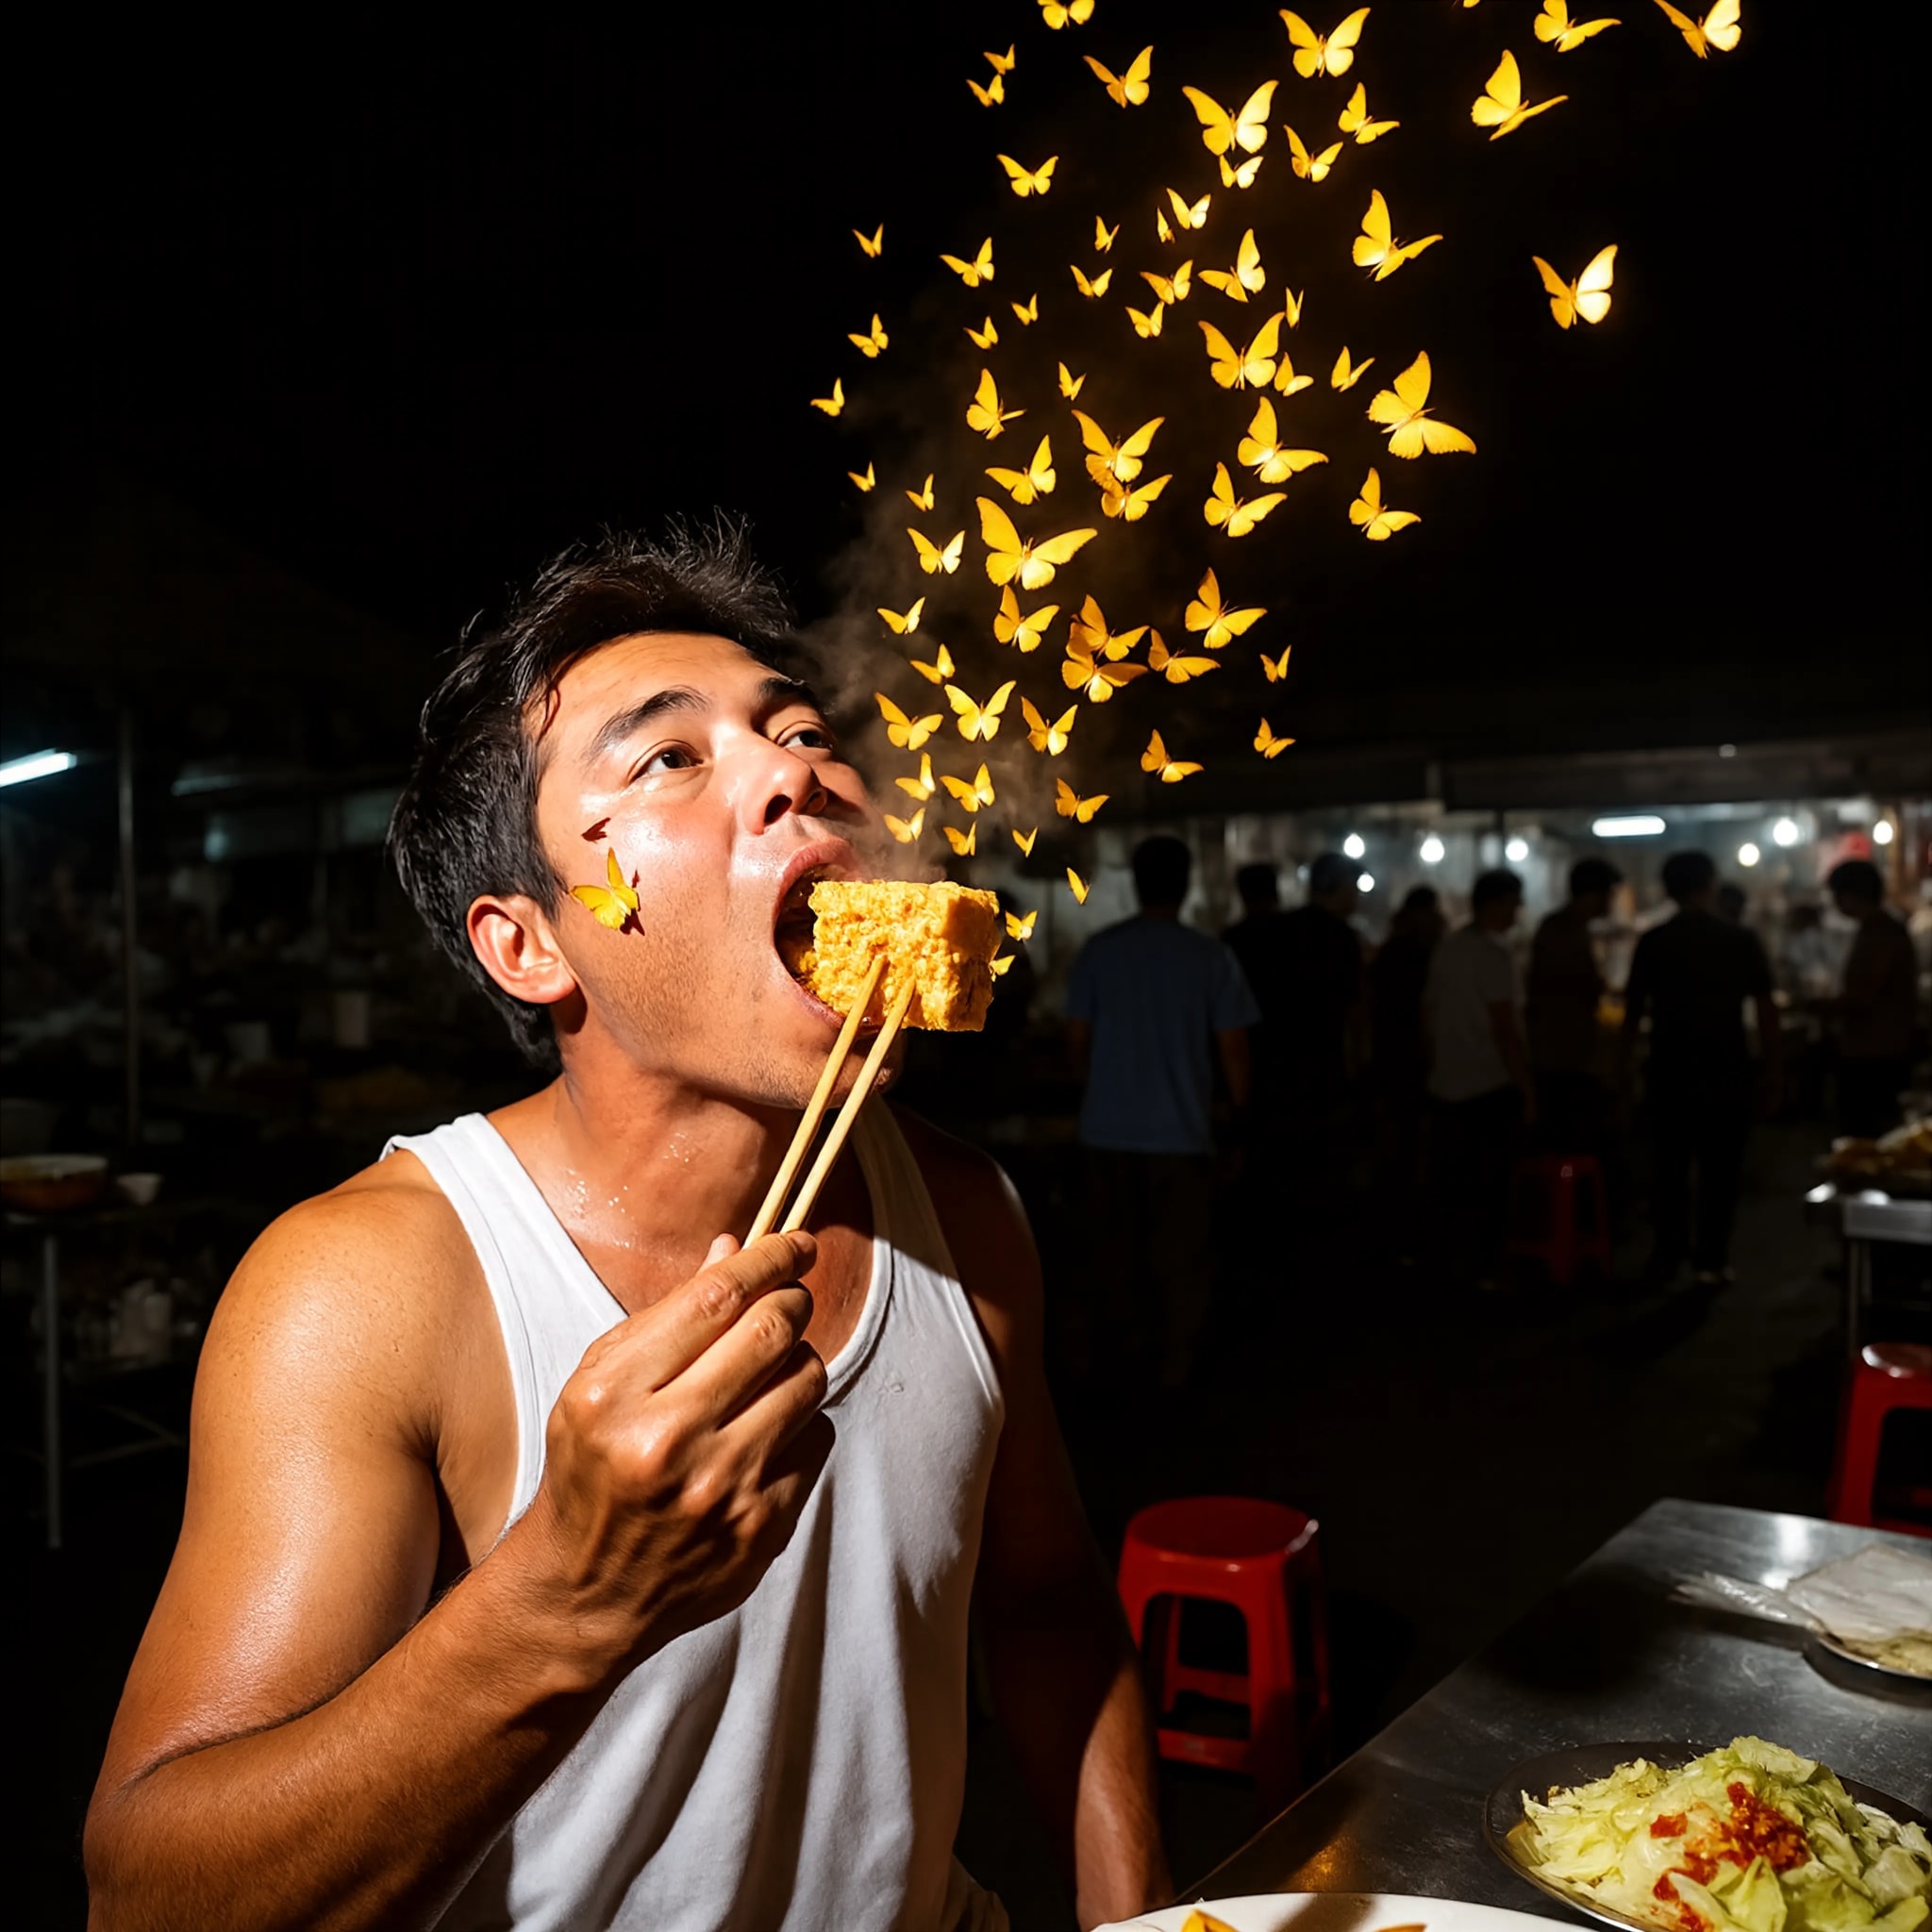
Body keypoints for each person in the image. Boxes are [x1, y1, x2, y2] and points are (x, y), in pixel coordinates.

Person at [84, 528, 1170, 1930]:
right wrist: (567, 1597)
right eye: (669, 757)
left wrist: (1146, 1914)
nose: (797, 767)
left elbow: (1045, 1602)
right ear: (529, 943)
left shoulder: (961, 1211)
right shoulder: (367, 1286)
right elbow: (150, 1897)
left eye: (798, 727)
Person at [1064, 835, 1258, 1387]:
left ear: (1136, 882)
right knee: (1184, 1260)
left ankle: (1118, 1369)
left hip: (1106, 1132)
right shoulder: (1210, 956)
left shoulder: (1101, 951)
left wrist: (1094, 1086)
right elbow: (1236, 1051)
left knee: (1112, 1255)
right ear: (1187, 882)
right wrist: (1238, 1122)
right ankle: (1177, 1375)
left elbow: (1075, 1041)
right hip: (1183, 1136)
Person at [1621, 850, 1781, 1287]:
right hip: (1726, 1067)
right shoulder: (1740, 939)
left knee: (1669, 1169)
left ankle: (1668, 1253)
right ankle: (1711, 1260)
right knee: (1720, 1172)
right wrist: (1772, 1068)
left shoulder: (1653, 941)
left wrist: (1622, 1071)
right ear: (1708, 885)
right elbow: (1766, 1010)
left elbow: (1633, 1013)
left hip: (1668, 1069)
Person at [1424, 869, 1532, 1291]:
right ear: (1499, 903)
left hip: (1446, 1083)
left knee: (1451, 1183)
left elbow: (1427, 1017)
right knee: (1490, 1185)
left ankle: (1449, 1264)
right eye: (1515, 904)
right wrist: (1527, 1088)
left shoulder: (1448, 948)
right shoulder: (1494, 954)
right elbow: (1505, 1028)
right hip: (1489, 1084)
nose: (1519, 913)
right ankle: (1486, 1268)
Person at [1224, 853, 1364, 1143]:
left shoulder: (1260, 934)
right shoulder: (1339, 936)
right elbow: (1355, 1012)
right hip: (1322, 1071)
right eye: (1353, 887)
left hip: (1273, 1070)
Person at [1369, 886, 1445, 1259]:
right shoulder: (1422, 953)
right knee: (1413, 1144)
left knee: (1397, 1145)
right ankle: (1409, 1229)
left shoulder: (1392, 950)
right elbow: (1427, 1013)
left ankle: (1393, 1226)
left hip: (1391, 1058)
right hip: (1413, 1059)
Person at [1524, 858, 1622, 1153]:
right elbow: (1567, 986)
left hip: (1565, 1052)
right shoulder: (1562, 929)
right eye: (1610, 894)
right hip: (1561, 1055)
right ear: (1594, 895)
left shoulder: (1567, 927)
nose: (1612, 902)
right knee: (1570, 1137)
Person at [1827, 858, 1919, 1138]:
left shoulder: (1880, 932)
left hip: (1875, 1053)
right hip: (1881, 1049)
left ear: (1851, 895)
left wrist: (1812, 1005)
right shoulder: (1880, 928)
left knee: (1867, 1138)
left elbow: (1861, 997)